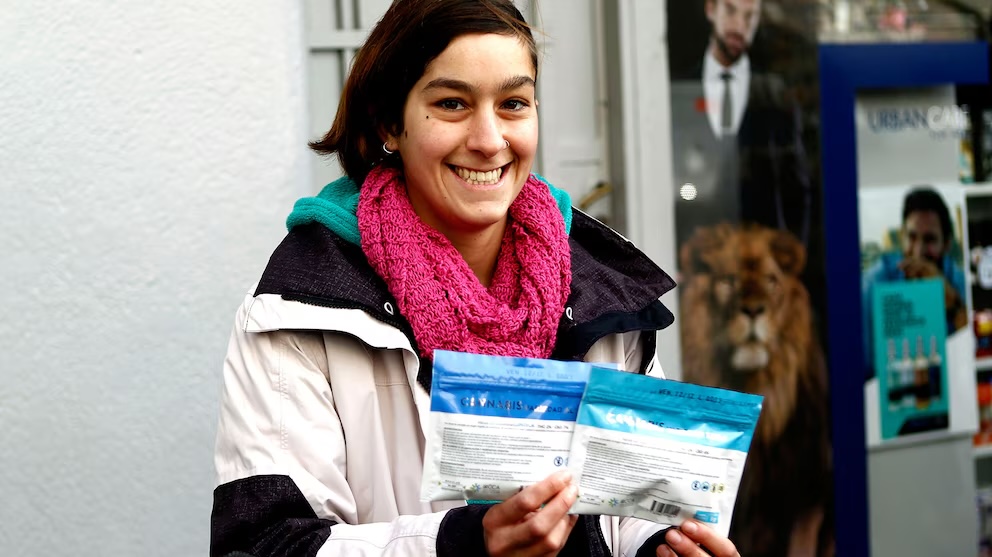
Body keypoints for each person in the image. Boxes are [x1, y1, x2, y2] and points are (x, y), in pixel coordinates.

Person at [209, 1, 741, 557]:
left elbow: (633, 503)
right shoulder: (298, 308)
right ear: (390, 122)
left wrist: (660, 544)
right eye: (452, 103)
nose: (489, 140)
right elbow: (265, 543)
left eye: (513, 103)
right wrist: (463, 545)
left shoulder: (602, 289)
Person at [669, 0, 813, 251]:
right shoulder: (679, 91)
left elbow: (796, 186)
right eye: (730, 10)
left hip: (761, 250)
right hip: (696, 249)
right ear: (711, 9)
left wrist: (792, 253)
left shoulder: (773, 93)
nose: (739, 26)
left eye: (749, 17)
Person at [862, 187, 968, 375]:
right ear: (902, 236)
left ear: (946, 244)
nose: (918, 252)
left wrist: (952, 302)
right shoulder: (875, 283)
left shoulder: (959, 282)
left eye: (930, 240)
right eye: (911, 237)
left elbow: (974, 354)